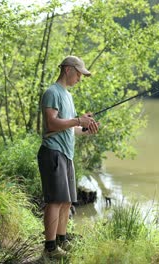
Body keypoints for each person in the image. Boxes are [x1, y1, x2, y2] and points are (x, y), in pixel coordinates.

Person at [37, 55, 99, 259]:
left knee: (65, 202)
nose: (80, 78)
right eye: (79, 73)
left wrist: (85, 128)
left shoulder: (68, 96)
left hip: (66, 154)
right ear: (68, 69)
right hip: (53, 152)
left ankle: (61, 240)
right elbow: (52, 124)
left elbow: (70, 130)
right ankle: (50, 248)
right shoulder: (52, 92)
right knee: (55, 201)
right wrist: (76, 120)